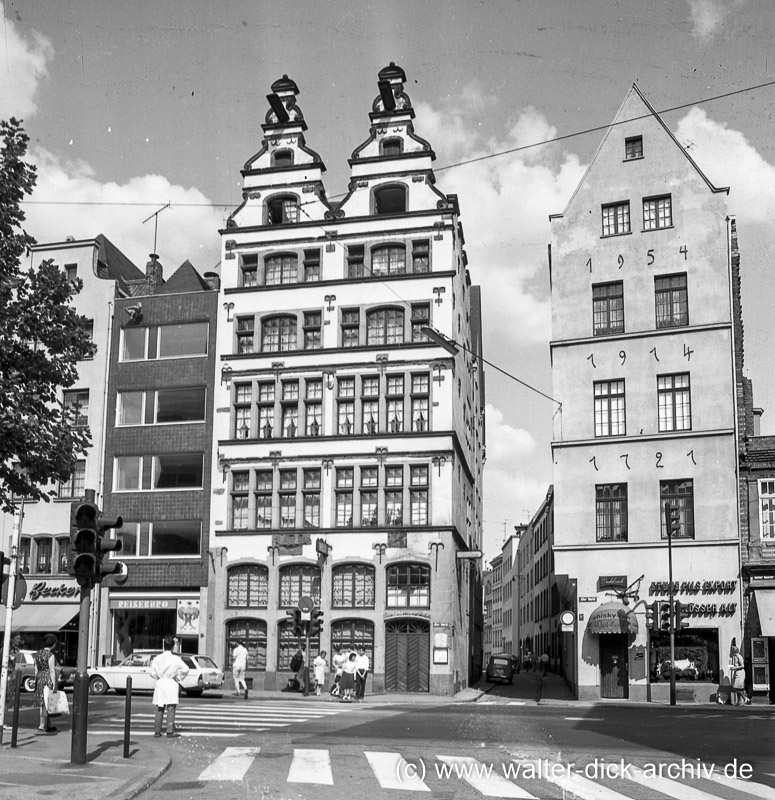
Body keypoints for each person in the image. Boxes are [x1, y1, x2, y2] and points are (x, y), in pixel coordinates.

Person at [150, 636, 189, 737]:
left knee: (160, 707)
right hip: (171, 683)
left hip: (161, 682)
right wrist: (179, 678)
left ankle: (157, 731)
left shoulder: (157, 659)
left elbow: (152, 673)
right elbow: (186, 669)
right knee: (171, 708)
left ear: (163, 646)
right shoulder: (176, 659)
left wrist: (158, 676)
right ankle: (170, 730)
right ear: (172, 647)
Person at [33, 633, 59, 734]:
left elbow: (35, 669)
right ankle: (42, 725)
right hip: (47, 678)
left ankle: (49, 724)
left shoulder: (37, 654)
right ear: (52, 644)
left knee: (43, 702)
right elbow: (52, 670)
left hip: (39, 678)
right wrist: (53, 684)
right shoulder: (50, 655)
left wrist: (37, 679)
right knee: (47, 703)